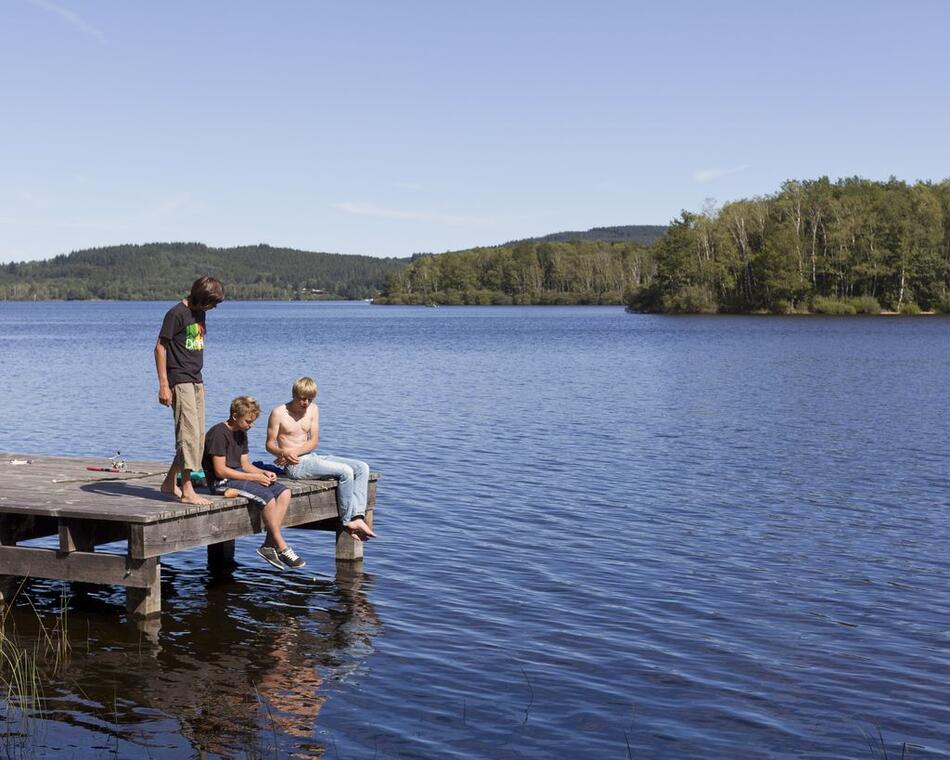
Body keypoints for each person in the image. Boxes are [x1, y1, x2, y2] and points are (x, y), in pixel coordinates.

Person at [266, 377, 377, 542]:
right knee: (345, 472)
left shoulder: (313, 409)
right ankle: (348, 521)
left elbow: (313, 442)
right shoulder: (279, 413)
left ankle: (358, 515)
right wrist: (283, 453)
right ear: (294, 394)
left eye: (310, 399)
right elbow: (269, 444)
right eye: (302, 398)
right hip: (295, 466)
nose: (306, 403)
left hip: (311, 457)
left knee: (362, 467)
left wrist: (293, 452)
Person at [203, 396, 306, 570]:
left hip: (239, 476)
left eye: (252, 422)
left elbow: (245, 465)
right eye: (248, 421)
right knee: (267, 497)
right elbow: (220, 471)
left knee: (284, 492)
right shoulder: (218, 434)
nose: (251, 425)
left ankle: (268, 544)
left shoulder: (241, 432)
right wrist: (254, 478)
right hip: (222, 482)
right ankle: (281, 545)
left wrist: (263, 473)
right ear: (235, 416)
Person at [154, 275, 224, 506]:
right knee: (187, 435)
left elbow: (194, 350)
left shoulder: (199, 313)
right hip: (179, 380)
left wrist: (201, 383)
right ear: (201, 298)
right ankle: (187, 490)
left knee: (197, 436)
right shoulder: (176, 314)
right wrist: (164, 384)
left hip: (195, 380)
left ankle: (168, 482)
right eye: (211, 303)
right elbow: (160, 347)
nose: (213, 308)